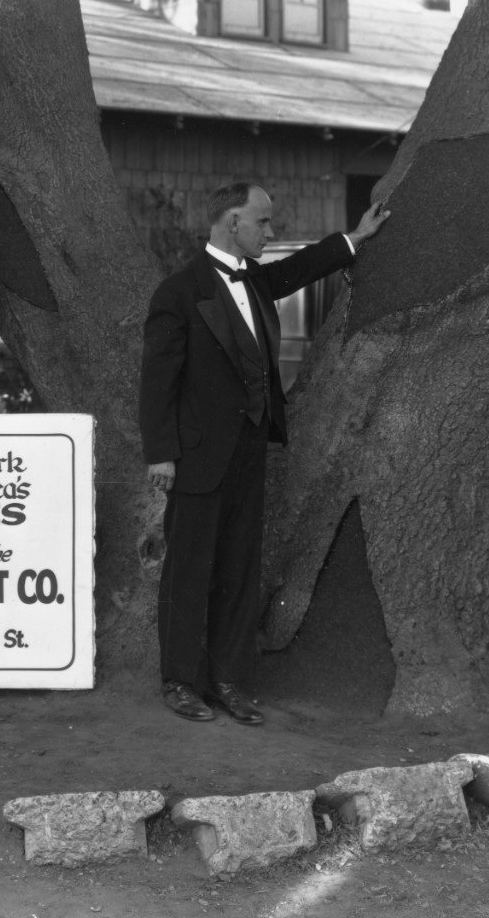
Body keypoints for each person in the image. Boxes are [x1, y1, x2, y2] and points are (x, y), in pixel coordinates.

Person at [139, 182, 390, 724]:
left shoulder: (255, 280)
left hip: (250, 453)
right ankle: (180, 681)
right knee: (188, 571)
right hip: (196, 458)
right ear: (233, 221)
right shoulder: (178, 292)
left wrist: (354, 238)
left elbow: (297, 271)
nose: (270, 232)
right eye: (263, 222)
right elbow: (157, 381)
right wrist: (161, 455)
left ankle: (229, 681)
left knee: (238, 569)